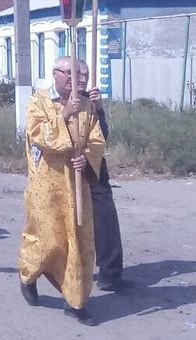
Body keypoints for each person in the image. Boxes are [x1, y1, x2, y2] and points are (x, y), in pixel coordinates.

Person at [17, 56, 106, 326]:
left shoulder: (88, 105)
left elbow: (96, 138)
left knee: (78, 242)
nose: (75, 78)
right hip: (47, 184)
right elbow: (38, 136)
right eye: (69, 73)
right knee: (46, 240)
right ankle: (28, 275)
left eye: (79, 74)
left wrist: (87, 157)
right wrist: (65, 113)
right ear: (54, 73)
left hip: (77, 184)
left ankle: (76, 301)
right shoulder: (39, 101)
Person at [77, 62, 131, 292]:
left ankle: (110, 274)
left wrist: (98, 109)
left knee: (106, 219)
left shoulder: (91, 100)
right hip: (65, 169)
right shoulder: (51, 101)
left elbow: (103, 135)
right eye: (77, 74)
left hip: (95, 168)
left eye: (86, 75)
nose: (82, 79)